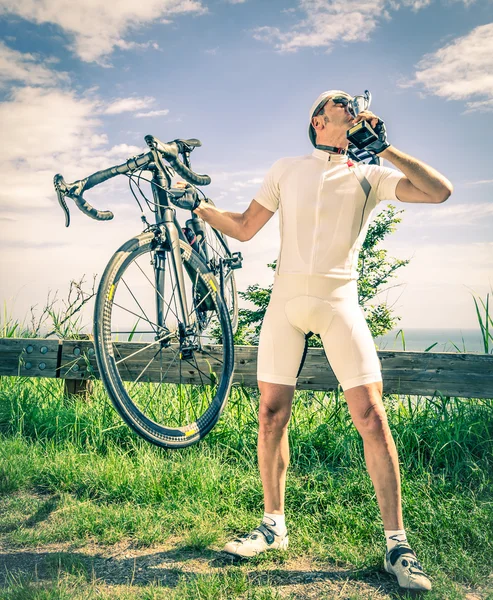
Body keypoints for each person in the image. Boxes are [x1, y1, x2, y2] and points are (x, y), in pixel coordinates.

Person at [175, 90, 453, 592]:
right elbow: (242, 227)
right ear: (317, 119)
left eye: (354, 103)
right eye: (339, 102)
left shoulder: (370, 174)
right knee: (270, 412)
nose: (350, 105)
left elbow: (439, 192)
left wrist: (385, 148)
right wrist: (198, 206)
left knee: (370, 414)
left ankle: (397, 544)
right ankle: (273, 525)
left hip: (339, 299)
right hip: (285, 302)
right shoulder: (286, 168)